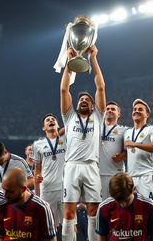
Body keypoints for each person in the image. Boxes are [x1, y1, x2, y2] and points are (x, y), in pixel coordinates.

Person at [60, 45, 106, 241]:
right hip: (71, 166)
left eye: (88, 99)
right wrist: (69, 63)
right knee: (69, 211)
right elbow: (64, 89)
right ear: (76, 105)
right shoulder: (69, 117)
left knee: (93, 210)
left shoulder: (98, 117)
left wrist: (93, 58)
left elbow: (100, 87)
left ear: (94, 105)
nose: (84, 100)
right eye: (81, 99)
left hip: (91, 166)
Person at [96, 172, 153, 241]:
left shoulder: (148, 206)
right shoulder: (104, 208)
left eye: (126, 200)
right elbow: (102, 236)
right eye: (118, 201)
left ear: (133, 189)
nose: (123, 204)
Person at [0, 168, 56, 241]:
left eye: (10, 191)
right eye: (3, 189)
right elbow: (0, 237)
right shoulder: (2, 206)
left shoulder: (42, 208)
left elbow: (51, 239)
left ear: (23, 189)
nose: (5, 195)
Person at [124, 99, 153, 203]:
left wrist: (135, 144)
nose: (136, 111)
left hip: (147, 176)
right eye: (134, 109)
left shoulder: (152, 129)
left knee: (152, 207)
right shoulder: (127, 132)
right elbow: (126, 152)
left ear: (147, 114)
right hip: (131, 177)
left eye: (140, 109)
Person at [33, 113, 65, 231]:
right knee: (48, 226)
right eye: (47, 120)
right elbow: (37, 170)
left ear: (57, 125)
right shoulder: (37, 144)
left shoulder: (66, 139)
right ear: (44, 128)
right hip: (46, 189)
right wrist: (37, 196)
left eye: (53, 119)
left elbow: (71, 123)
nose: (51, 120)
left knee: (70, 225)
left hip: (65, 188)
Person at [99, 101, 127, 200]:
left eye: (113, 109)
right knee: (99, 207)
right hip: (97, 174)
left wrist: (122, 155)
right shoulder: (95, 128)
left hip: (116, 174)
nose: (110, 110)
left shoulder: (125, 130)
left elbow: (130, 150)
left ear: (118, 114)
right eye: (108, 109)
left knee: (117, 205)